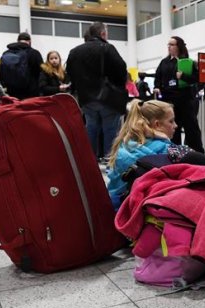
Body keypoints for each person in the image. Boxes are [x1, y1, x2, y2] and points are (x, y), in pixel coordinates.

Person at [106, 99, 189, 210]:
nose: (175, 125)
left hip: (117, 208)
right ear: (157, 124)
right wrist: (166, 140)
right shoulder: (167, 149)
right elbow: (194, 159)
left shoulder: (124, 144)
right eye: (171, 121)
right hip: (144, 212)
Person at [67, 22, 127, 159]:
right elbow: (121, 69)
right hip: (107, 98)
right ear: (102, 34)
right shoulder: (107, 48)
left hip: (86, 98)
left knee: (91, 127)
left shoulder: (75, 51)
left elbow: (69, 73)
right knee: (110, 129)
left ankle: (90, 159)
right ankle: (108, 160)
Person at [154, 36, 204, 153]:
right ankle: (174, 153)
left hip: (186, 99)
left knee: (191, 129)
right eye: (168, 44)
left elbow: (197, 79)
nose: (169, 47)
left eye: (172, 44)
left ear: (178, 46)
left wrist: (183, 76)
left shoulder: (188, 62)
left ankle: (197, 154)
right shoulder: (164, 62)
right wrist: (156, 87)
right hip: (169, 101)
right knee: (172, 129)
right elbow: (158, 77)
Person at [0, 32, 43, 99]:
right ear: (30, 41)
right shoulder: (34, 53)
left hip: (11, 92)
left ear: (18, 41)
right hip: (30, 93)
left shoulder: (6, 53)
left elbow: (1, 71)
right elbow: (41, 72)